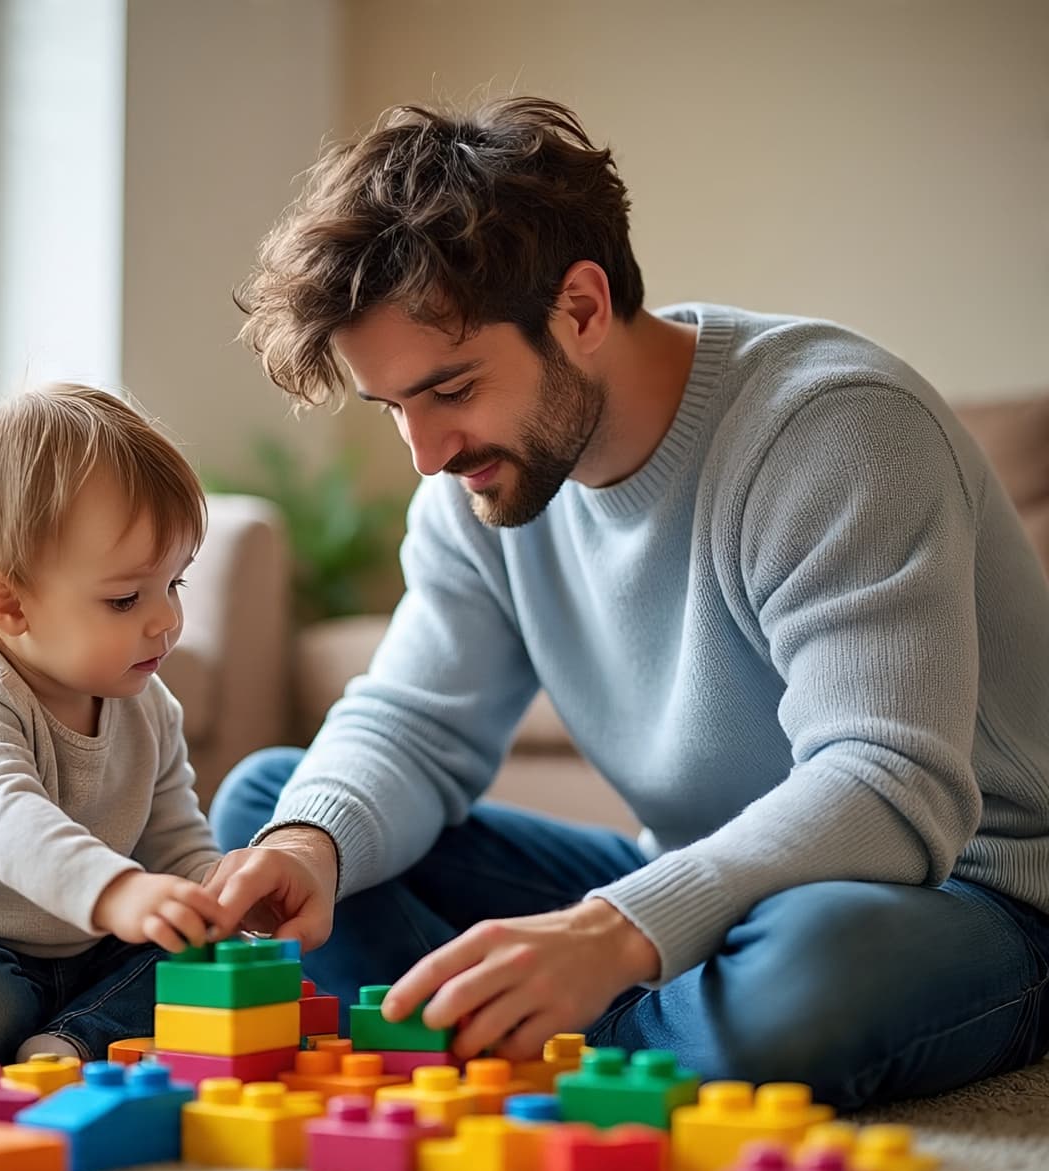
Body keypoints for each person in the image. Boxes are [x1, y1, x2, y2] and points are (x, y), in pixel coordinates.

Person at [207, 96, 1049, 1110]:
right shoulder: (470, 488)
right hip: (705, 884)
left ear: (581, 308)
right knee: (277, 810)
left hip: (965, 885)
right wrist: (313, 843)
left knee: (806, 973)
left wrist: (614, 934)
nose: (426, 455)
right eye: (394, 408)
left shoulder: (834, 431)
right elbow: (411, 727)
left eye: (453, 388)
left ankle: (506, 1036)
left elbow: (886, 784)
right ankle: (612, 1036)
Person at [0, 384, 236, 1063]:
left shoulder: (148, 705)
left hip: (87, 950)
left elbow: (176, 839)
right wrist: (116, 890)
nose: (167, 620)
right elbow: (11, 823)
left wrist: (220, 900)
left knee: (215, 961)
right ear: (9, 605)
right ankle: (81, 1024)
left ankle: (70, 1038)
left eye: (174, 584)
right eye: (124, 598)